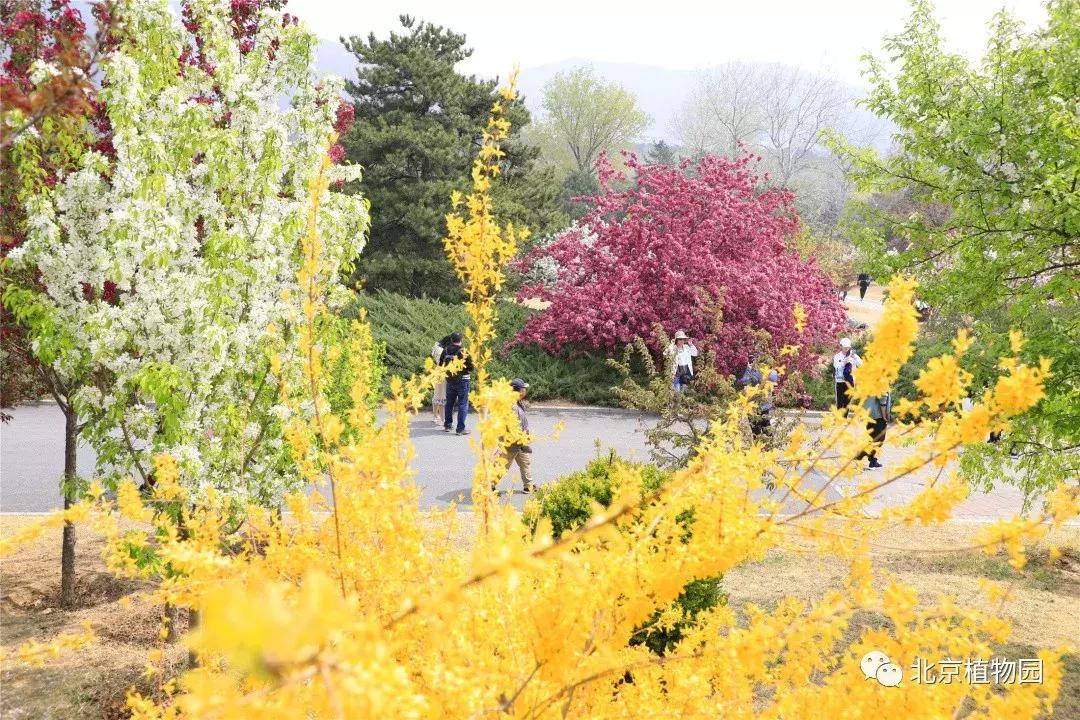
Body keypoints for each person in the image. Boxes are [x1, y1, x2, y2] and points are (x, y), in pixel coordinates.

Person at [496, 378, 535, 493]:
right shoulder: (510, 406)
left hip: (521, 441)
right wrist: (519, 439)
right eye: (523, 389)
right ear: (517, 391)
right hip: (512, 442)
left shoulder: (517, 401)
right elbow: (511, 427)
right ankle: (490, 486)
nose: (525, 391)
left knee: (525, 463)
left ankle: (528, 486)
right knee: (503, 466)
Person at [439, 332, 474, 435]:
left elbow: (441, 364)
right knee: (463, 404)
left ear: (451, 340)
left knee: (449, 403)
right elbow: (471, 367)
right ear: (461, 340)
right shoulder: (463, 351)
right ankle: (460, 429)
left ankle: (448, 425)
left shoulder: (445, 350)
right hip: (463, 380)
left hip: (449, 380)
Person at [739, 361, 779, 438]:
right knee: (755, 429)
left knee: (766, 428)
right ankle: (758, 446)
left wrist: (756, 372)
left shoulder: (771, 372)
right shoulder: (751, 369)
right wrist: (749, 370)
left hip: (764, 405)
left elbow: (773, 378)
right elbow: (744, 381)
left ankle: (768, 446)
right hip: (751, 404)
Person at [857, 390, 891, 469]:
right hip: (878, 417)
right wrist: (885, 417)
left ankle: (872, 460)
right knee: (878, 441)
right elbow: (883, 401)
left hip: (870, 415)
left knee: (873, 439)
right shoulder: (882, 382)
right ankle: (859, 457)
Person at [833, 337, 862, 412]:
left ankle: (844, 419)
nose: (846, 349)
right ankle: (839, 419)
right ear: (841, 346)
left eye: (848, 347)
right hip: (840, 381)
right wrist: (844, 362)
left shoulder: (853, 355)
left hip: (850, 381)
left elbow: (861, 365)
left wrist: (855, 357)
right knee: (839, 402)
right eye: (845, 347)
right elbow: (836, 367)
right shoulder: (837, 356)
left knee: (847, 402)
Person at [431, 335, 450, 424]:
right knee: (442, 395)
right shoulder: (442, 351)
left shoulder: (436, 348)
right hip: (443, 372)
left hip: (438, 371)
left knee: (437, 394)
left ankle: (436, 415)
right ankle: (441, 418)